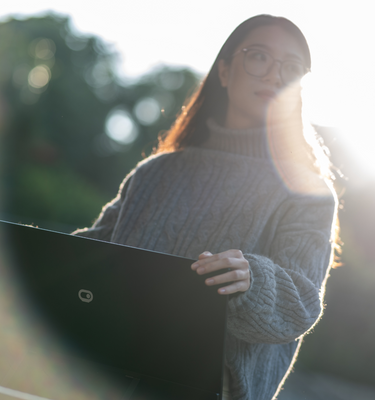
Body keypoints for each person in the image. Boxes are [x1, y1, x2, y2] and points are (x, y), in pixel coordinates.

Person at [74, 14, 338, 400]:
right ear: (225, 71)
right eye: (259, 56)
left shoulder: (309, 192)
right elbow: (83, 261)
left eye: (292, 66)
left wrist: (253, 280)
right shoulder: (153, 174)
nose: (274, 75)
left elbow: (301, 302)